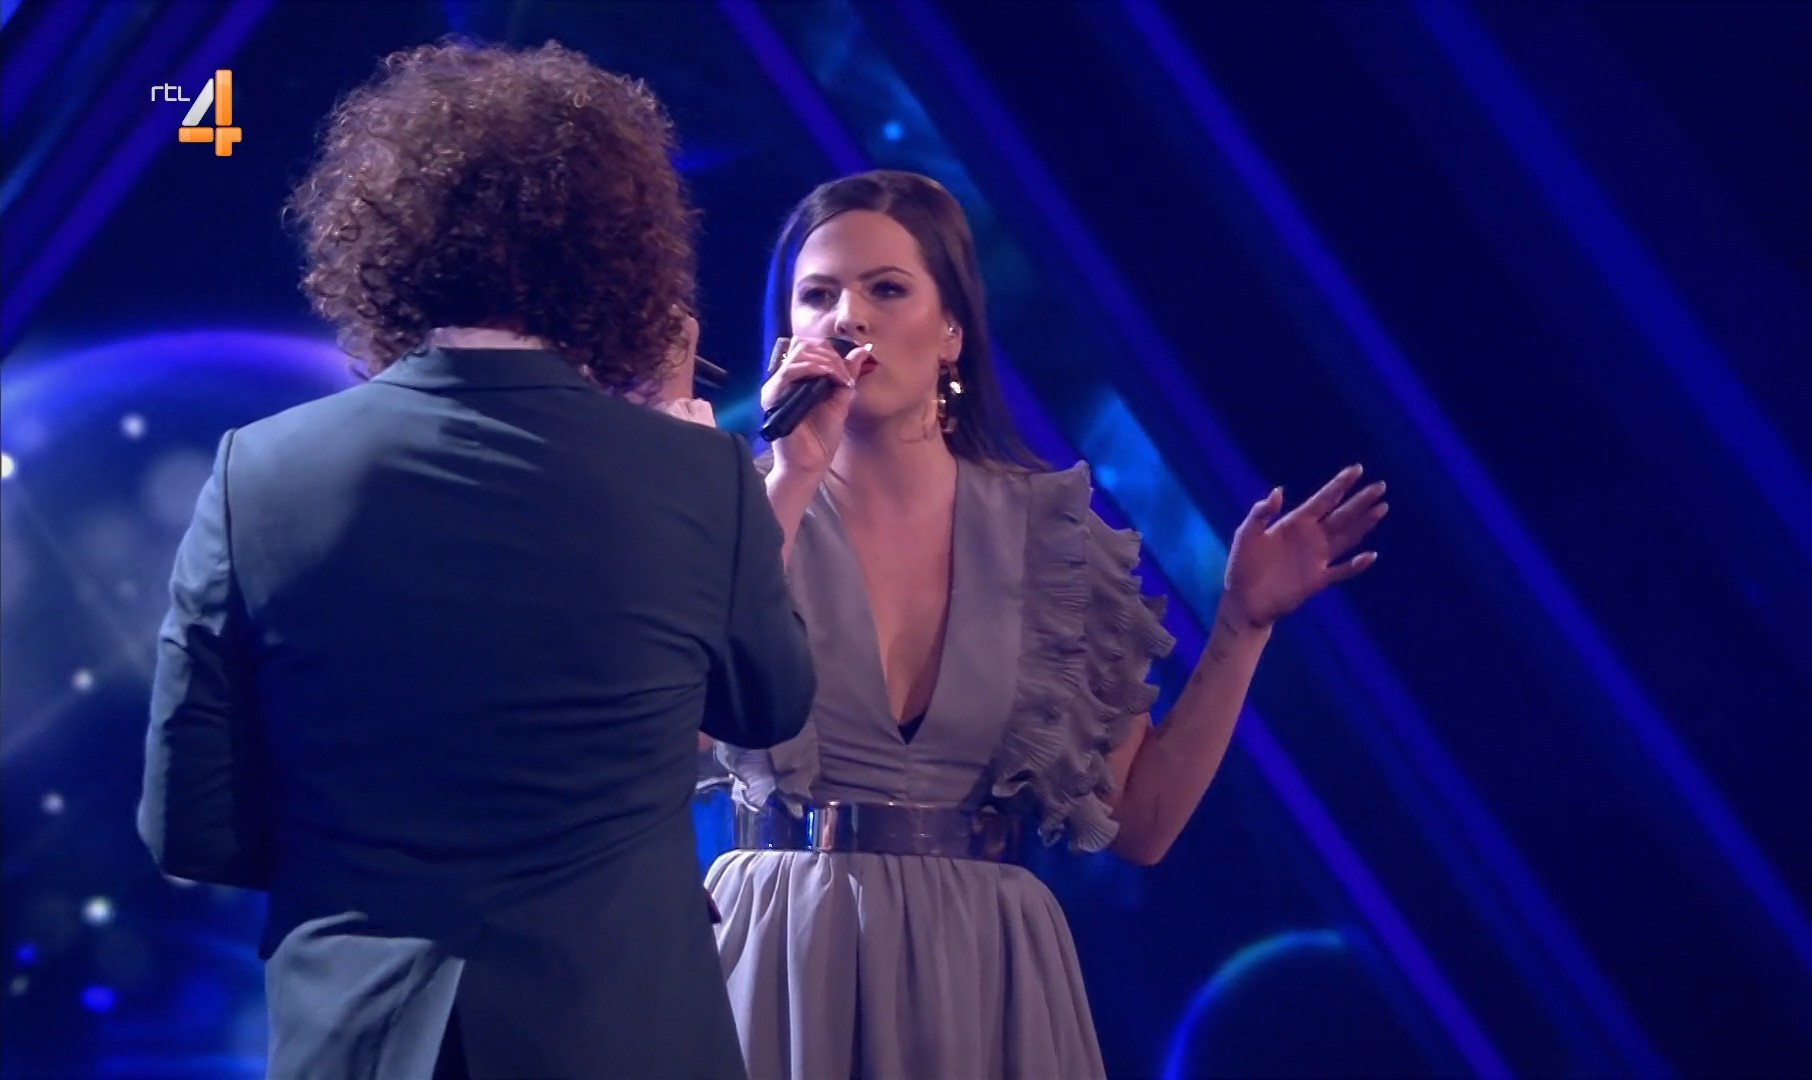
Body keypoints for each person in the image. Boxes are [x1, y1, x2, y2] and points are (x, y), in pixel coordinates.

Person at [136, 40, 815, 1080]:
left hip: (362, 1037)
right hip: (620, 1036)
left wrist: (363, 860)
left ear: (386, 246)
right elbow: (770, 705)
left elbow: (190, 825)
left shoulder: (258, 474)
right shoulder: (696, 474)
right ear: (613, 255)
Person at [689, 170, 1390, 1079]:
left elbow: (1140, 823)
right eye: (817, 296)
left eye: (886, 289)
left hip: (977, 964)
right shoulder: (735, 513)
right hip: (782, 955)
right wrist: (791, 477)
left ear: (952, 330)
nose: (847, 318)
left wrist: (1243, 625)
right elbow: (676, 727)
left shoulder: (1048, 541)